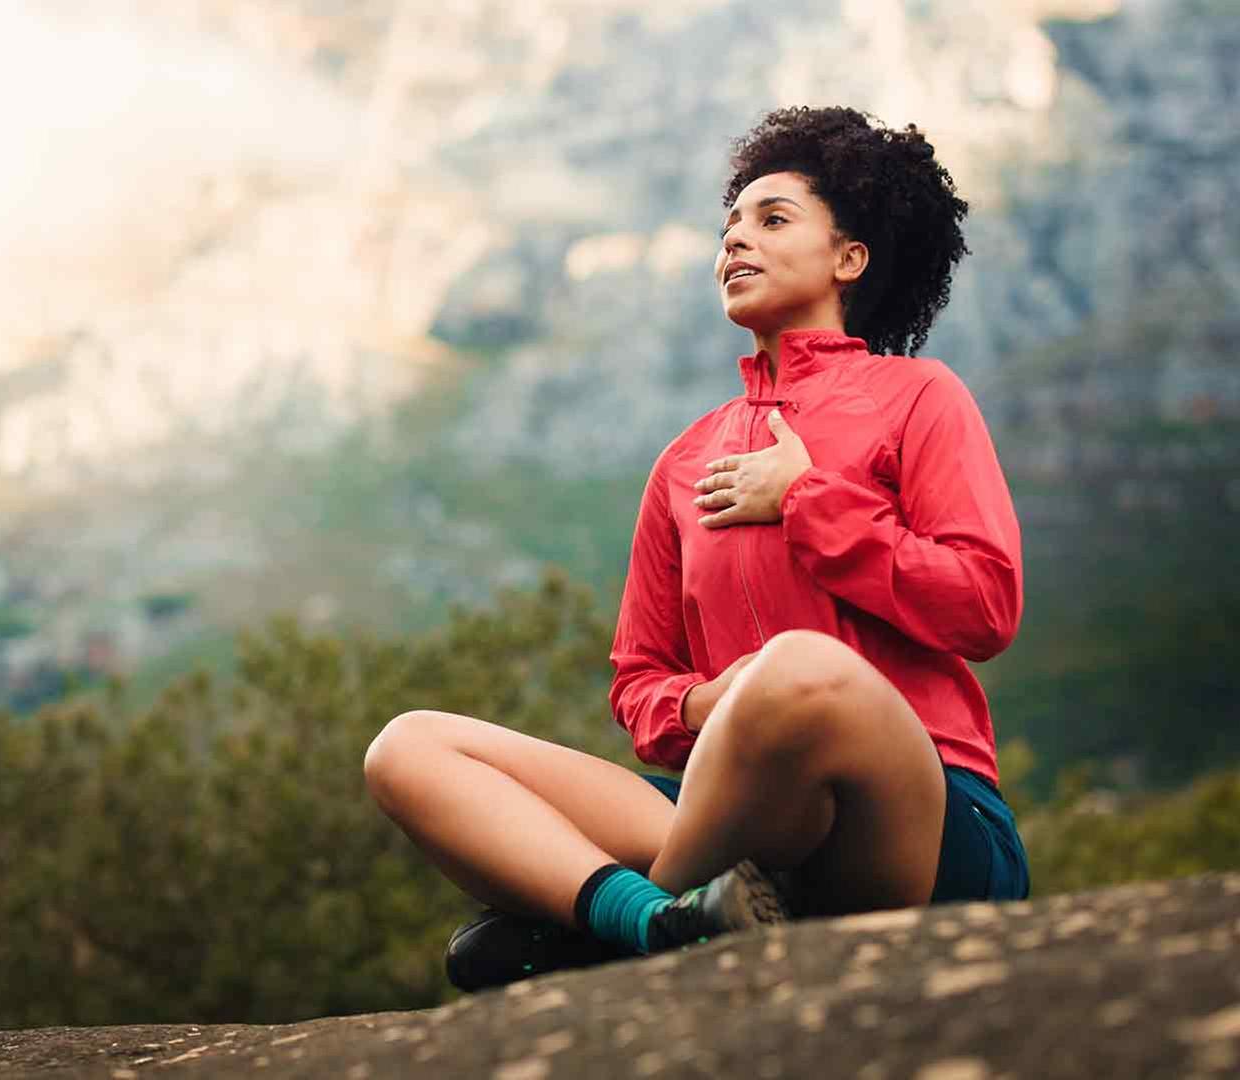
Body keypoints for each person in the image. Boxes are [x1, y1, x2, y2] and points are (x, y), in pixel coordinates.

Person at [363, 106, 1030, 992]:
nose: (735, 241)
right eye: (729, 228)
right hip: (746, 824)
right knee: (409, 748)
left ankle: (612, 937)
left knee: (799, 671)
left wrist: (808, 502)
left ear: (849, 258)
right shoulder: (684, 462)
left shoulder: (919, 397)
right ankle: (658, 923)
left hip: (914, 814)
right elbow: (639, 685)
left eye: (773, 219)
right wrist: (708, 700)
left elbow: (985, 604)